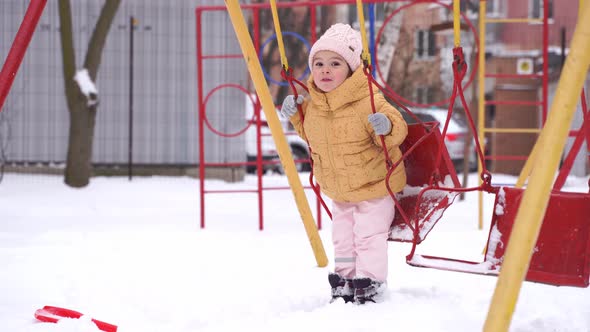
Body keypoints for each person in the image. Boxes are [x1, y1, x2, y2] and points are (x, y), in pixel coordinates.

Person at [279, 23, 408, 304]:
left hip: (375, 185)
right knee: (342, 238)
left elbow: (397, 130)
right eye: (319, 63)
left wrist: (386, 125)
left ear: (350, 70)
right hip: (340, 189)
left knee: (367, 235)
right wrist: (295, 116)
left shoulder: (369, 99)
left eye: (335, 63)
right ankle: (345, 279)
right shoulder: (314, 105)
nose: (325, 70)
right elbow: (311, 136)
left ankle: (370, 281)